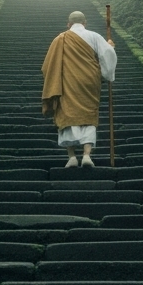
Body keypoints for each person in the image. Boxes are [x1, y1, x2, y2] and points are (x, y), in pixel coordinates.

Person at [41, 10, 117, 168]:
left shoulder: (60, 39)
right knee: (88, 114)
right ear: (85, 23)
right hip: (89, 81)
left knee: (67, 114)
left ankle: (72, 157)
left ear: (68, 24)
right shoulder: (94, 36)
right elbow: (107, 55)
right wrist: (110, 48)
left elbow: (48, 66)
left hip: (67, 82)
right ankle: (87, 155)